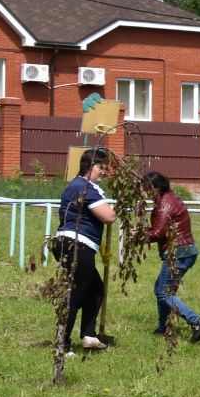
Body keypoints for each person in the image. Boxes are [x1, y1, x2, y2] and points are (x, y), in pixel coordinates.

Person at [55, 148, 117, 352]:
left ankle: (89, 335)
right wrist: (116, 207)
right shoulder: (85, 188)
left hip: (73, 244)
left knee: (96, 290)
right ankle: (62, 343)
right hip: (77, 245)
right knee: (77, 294)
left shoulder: (78, 185)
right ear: (91, 167)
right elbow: (108, 217)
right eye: (101, 167)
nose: (104, 172)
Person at [142, 170, 200, 343]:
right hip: (183, 251)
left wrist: (138, 235)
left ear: (155, 188)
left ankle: (196, 322)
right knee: (161, 289)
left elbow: (158, 233)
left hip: (178, 253)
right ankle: (163, 328)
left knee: (163, 293)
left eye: (147, 190)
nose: (146, 194)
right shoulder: (171, 197)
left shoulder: (165, 204)